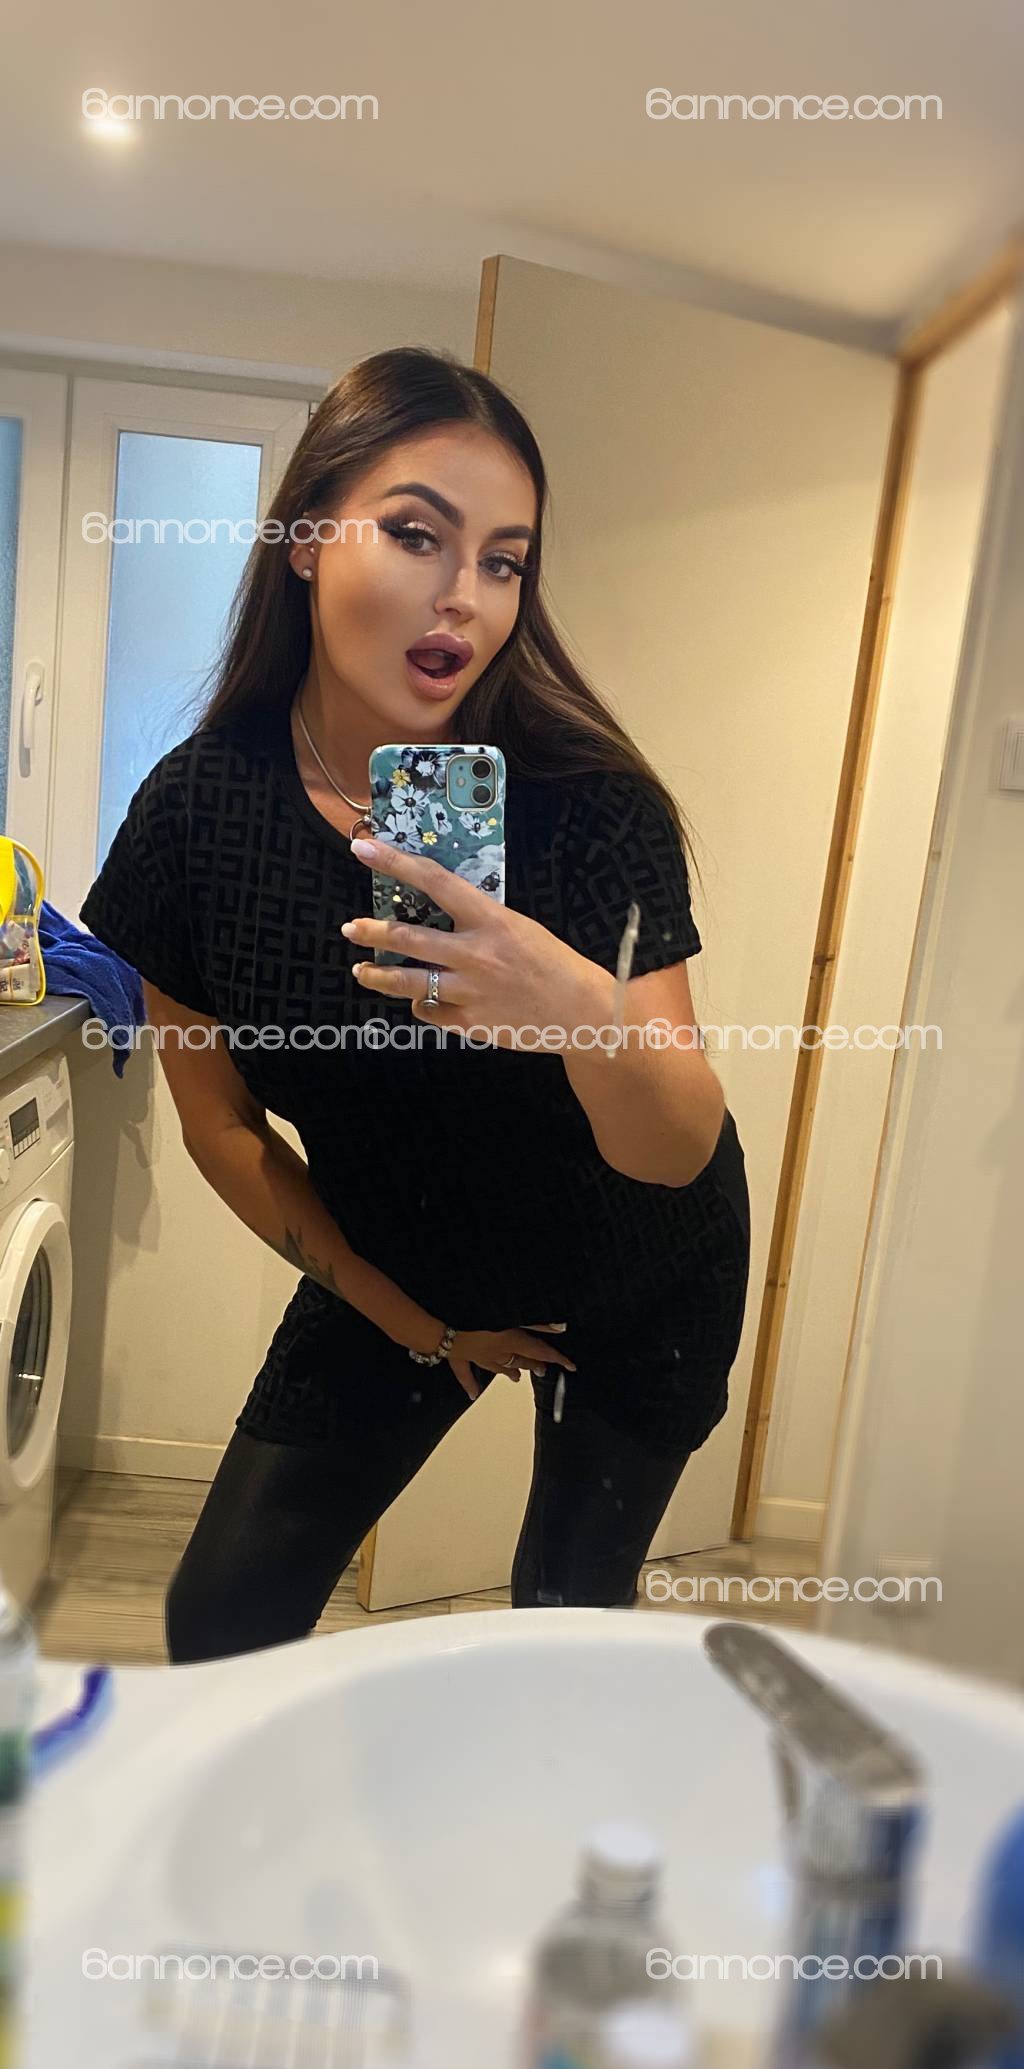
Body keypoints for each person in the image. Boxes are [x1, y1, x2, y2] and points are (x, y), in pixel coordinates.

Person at [79, 346, 751, 1662]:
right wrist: (407, 1319)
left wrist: (573, 1007)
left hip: (644, 1277)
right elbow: (219, 1124)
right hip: (401, 1265)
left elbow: (676, 1146)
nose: (464, 598)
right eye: (416, 533)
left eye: (505, 560)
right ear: (305, 539)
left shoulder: (587, 804)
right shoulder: (196, 815)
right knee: (222, 1616)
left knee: (563, 1622)